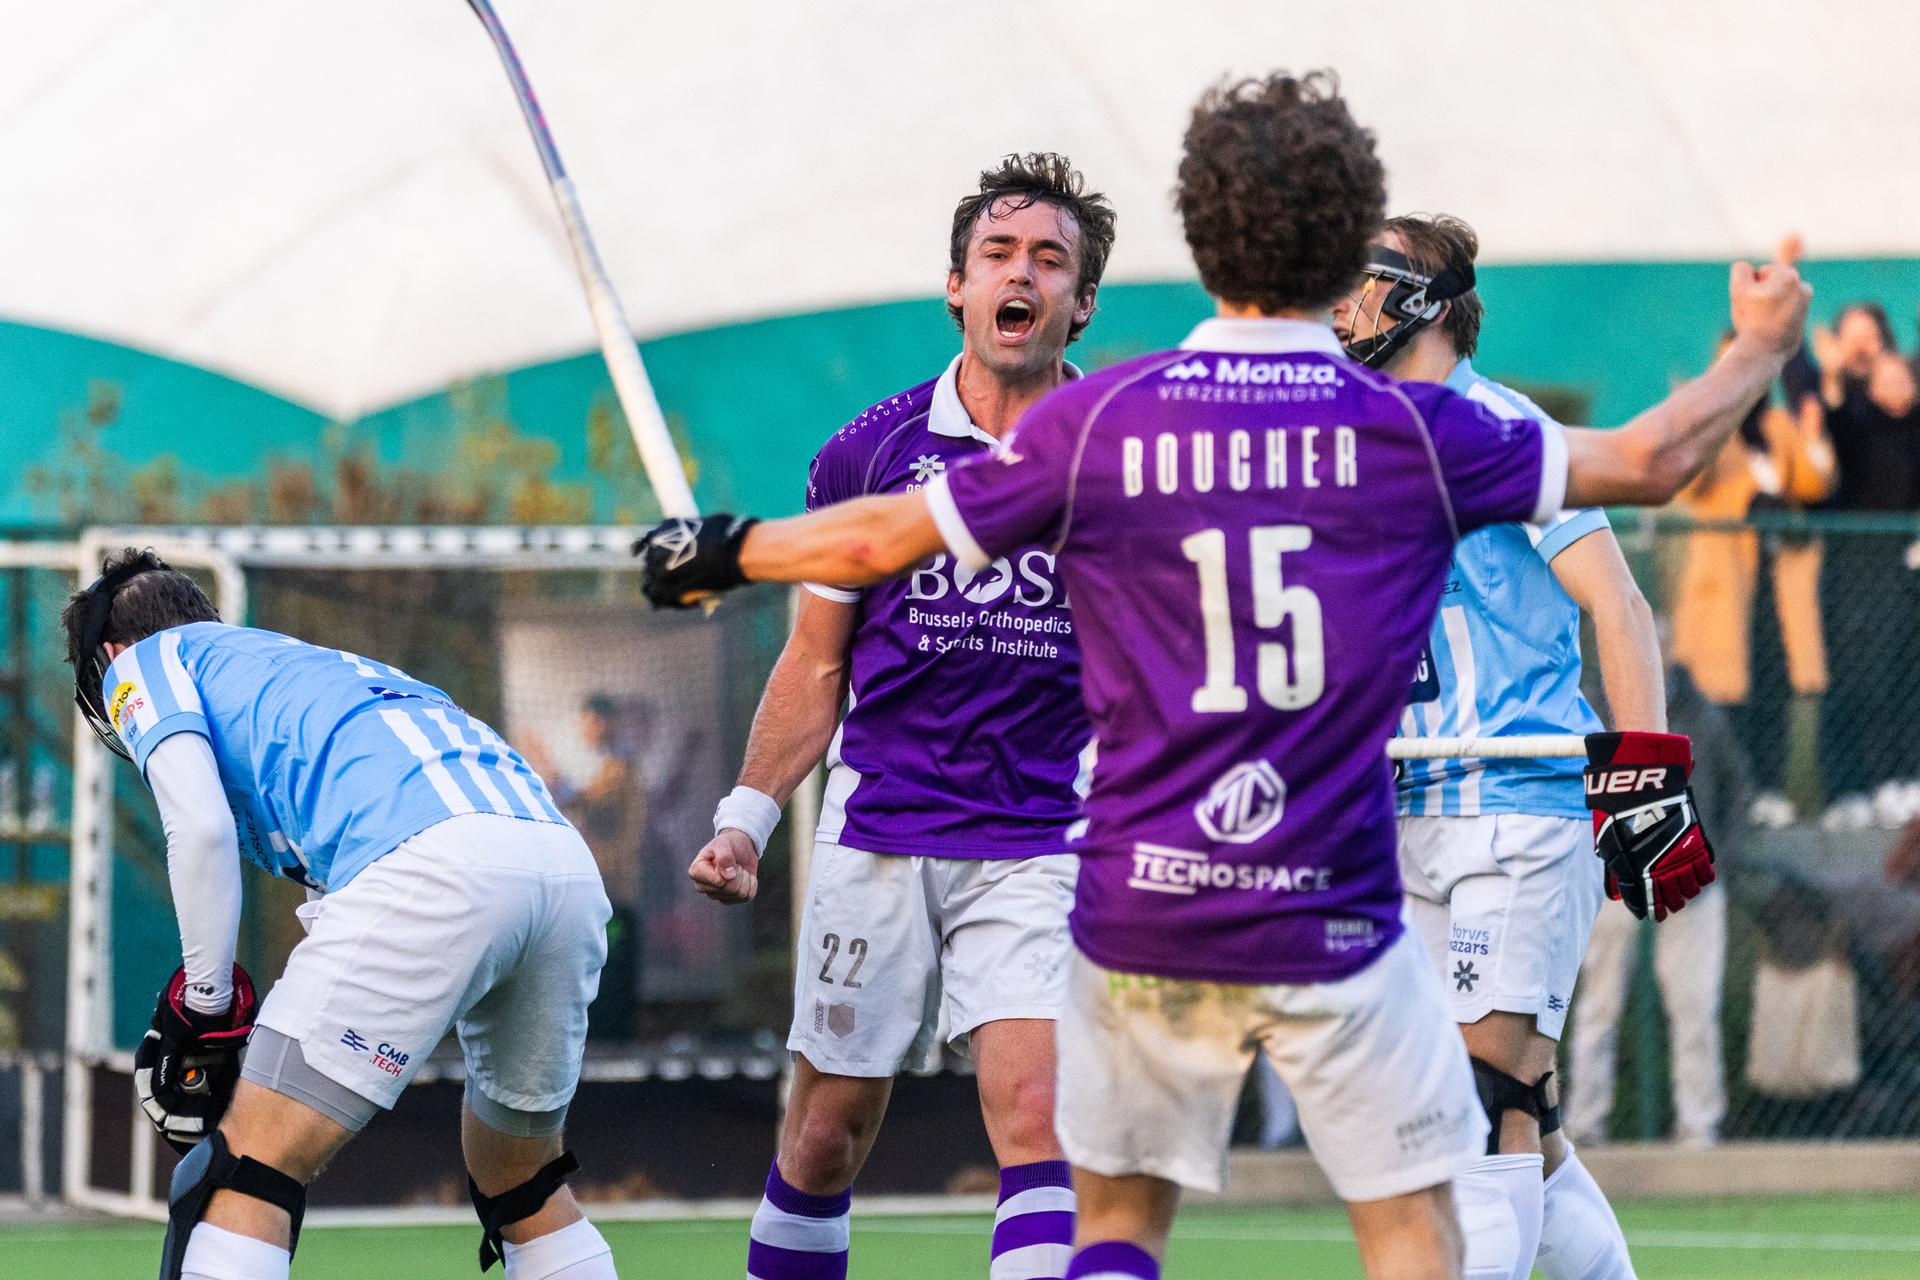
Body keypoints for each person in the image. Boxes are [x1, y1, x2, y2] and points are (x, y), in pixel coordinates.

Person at [635, 72, 1808, 1280]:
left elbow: (881, 536)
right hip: (1335, 895)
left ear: (1199, 240)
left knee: (1114, 1228)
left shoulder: (1107, 418)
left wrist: (731, 548)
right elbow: (1653, 459)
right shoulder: (1405, 426)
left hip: (1153, 897)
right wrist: (1759, 346)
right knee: (1425, 1219)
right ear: (1336, 250)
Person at [684, 153, 1114, 1280]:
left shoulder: (1117, 458)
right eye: (998, 254)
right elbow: (814, 661)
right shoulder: (867, 452)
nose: (1021, 274)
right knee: (826, 1137)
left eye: (1049, 260)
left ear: (1080, 302)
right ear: (957, 287)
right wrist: (745, 818)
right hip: (881, 829)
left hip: (1042, 836)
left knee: (1040, 1117)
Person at [63, 550, 617, 1280]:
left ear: (110, 654)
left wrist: (206, 1005)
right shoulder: (311, 665)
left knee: (244, 1168)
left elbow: (200, 828)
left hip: (435, 865)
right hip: (563, 868)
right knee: (524, 1179)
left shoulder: (143, 662)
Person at [1331, 212, 1660, 1280]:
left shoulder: (1506, 431)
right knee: (1503, 1116)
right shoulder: (1353, 448)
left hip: (1520, 804)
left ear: (1423, 302)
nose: (1338, 305)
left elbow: (1620, 605)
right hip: (1410, 815)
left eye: (1361, 280)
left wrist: (1645, 783)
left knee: (1489, 1099)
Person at [1567, 658, 1747, 1153]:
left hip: (1691, 882)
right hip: (1614, 875)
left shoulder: (1701, 714)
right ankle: (1583, 1123)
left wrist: (1715, 859)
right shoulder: (1592, 709)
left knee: (1694, 1005)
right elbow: (1570, 791)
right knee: (1598, 1006)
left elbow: (1737, 791)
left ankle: (1698, 1125)